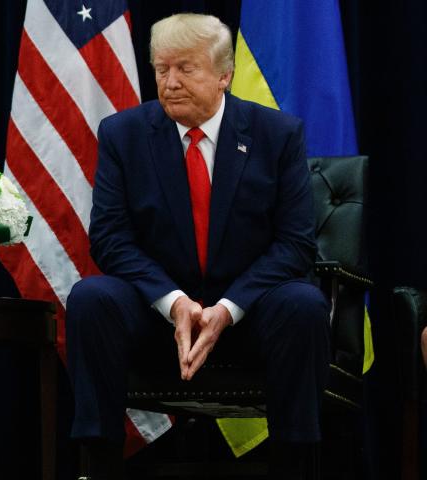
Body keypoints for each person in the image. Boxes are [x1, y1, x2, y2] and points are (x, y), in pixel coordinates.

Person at [66, 13, 329, 479]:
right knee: (91, 298)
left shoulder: (277, 134)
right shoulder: (123, 134)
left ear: (224, 74)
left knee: (304, 304)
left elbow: (294, 244)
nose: (170, 83)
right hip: (157, 314)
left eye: (185, 69)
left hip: (249, 313)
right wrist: (175, 303)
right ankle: (96, 464)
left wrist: (227, 307)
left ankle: (297, 465)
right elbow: (109, 238)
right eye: (162, 69)